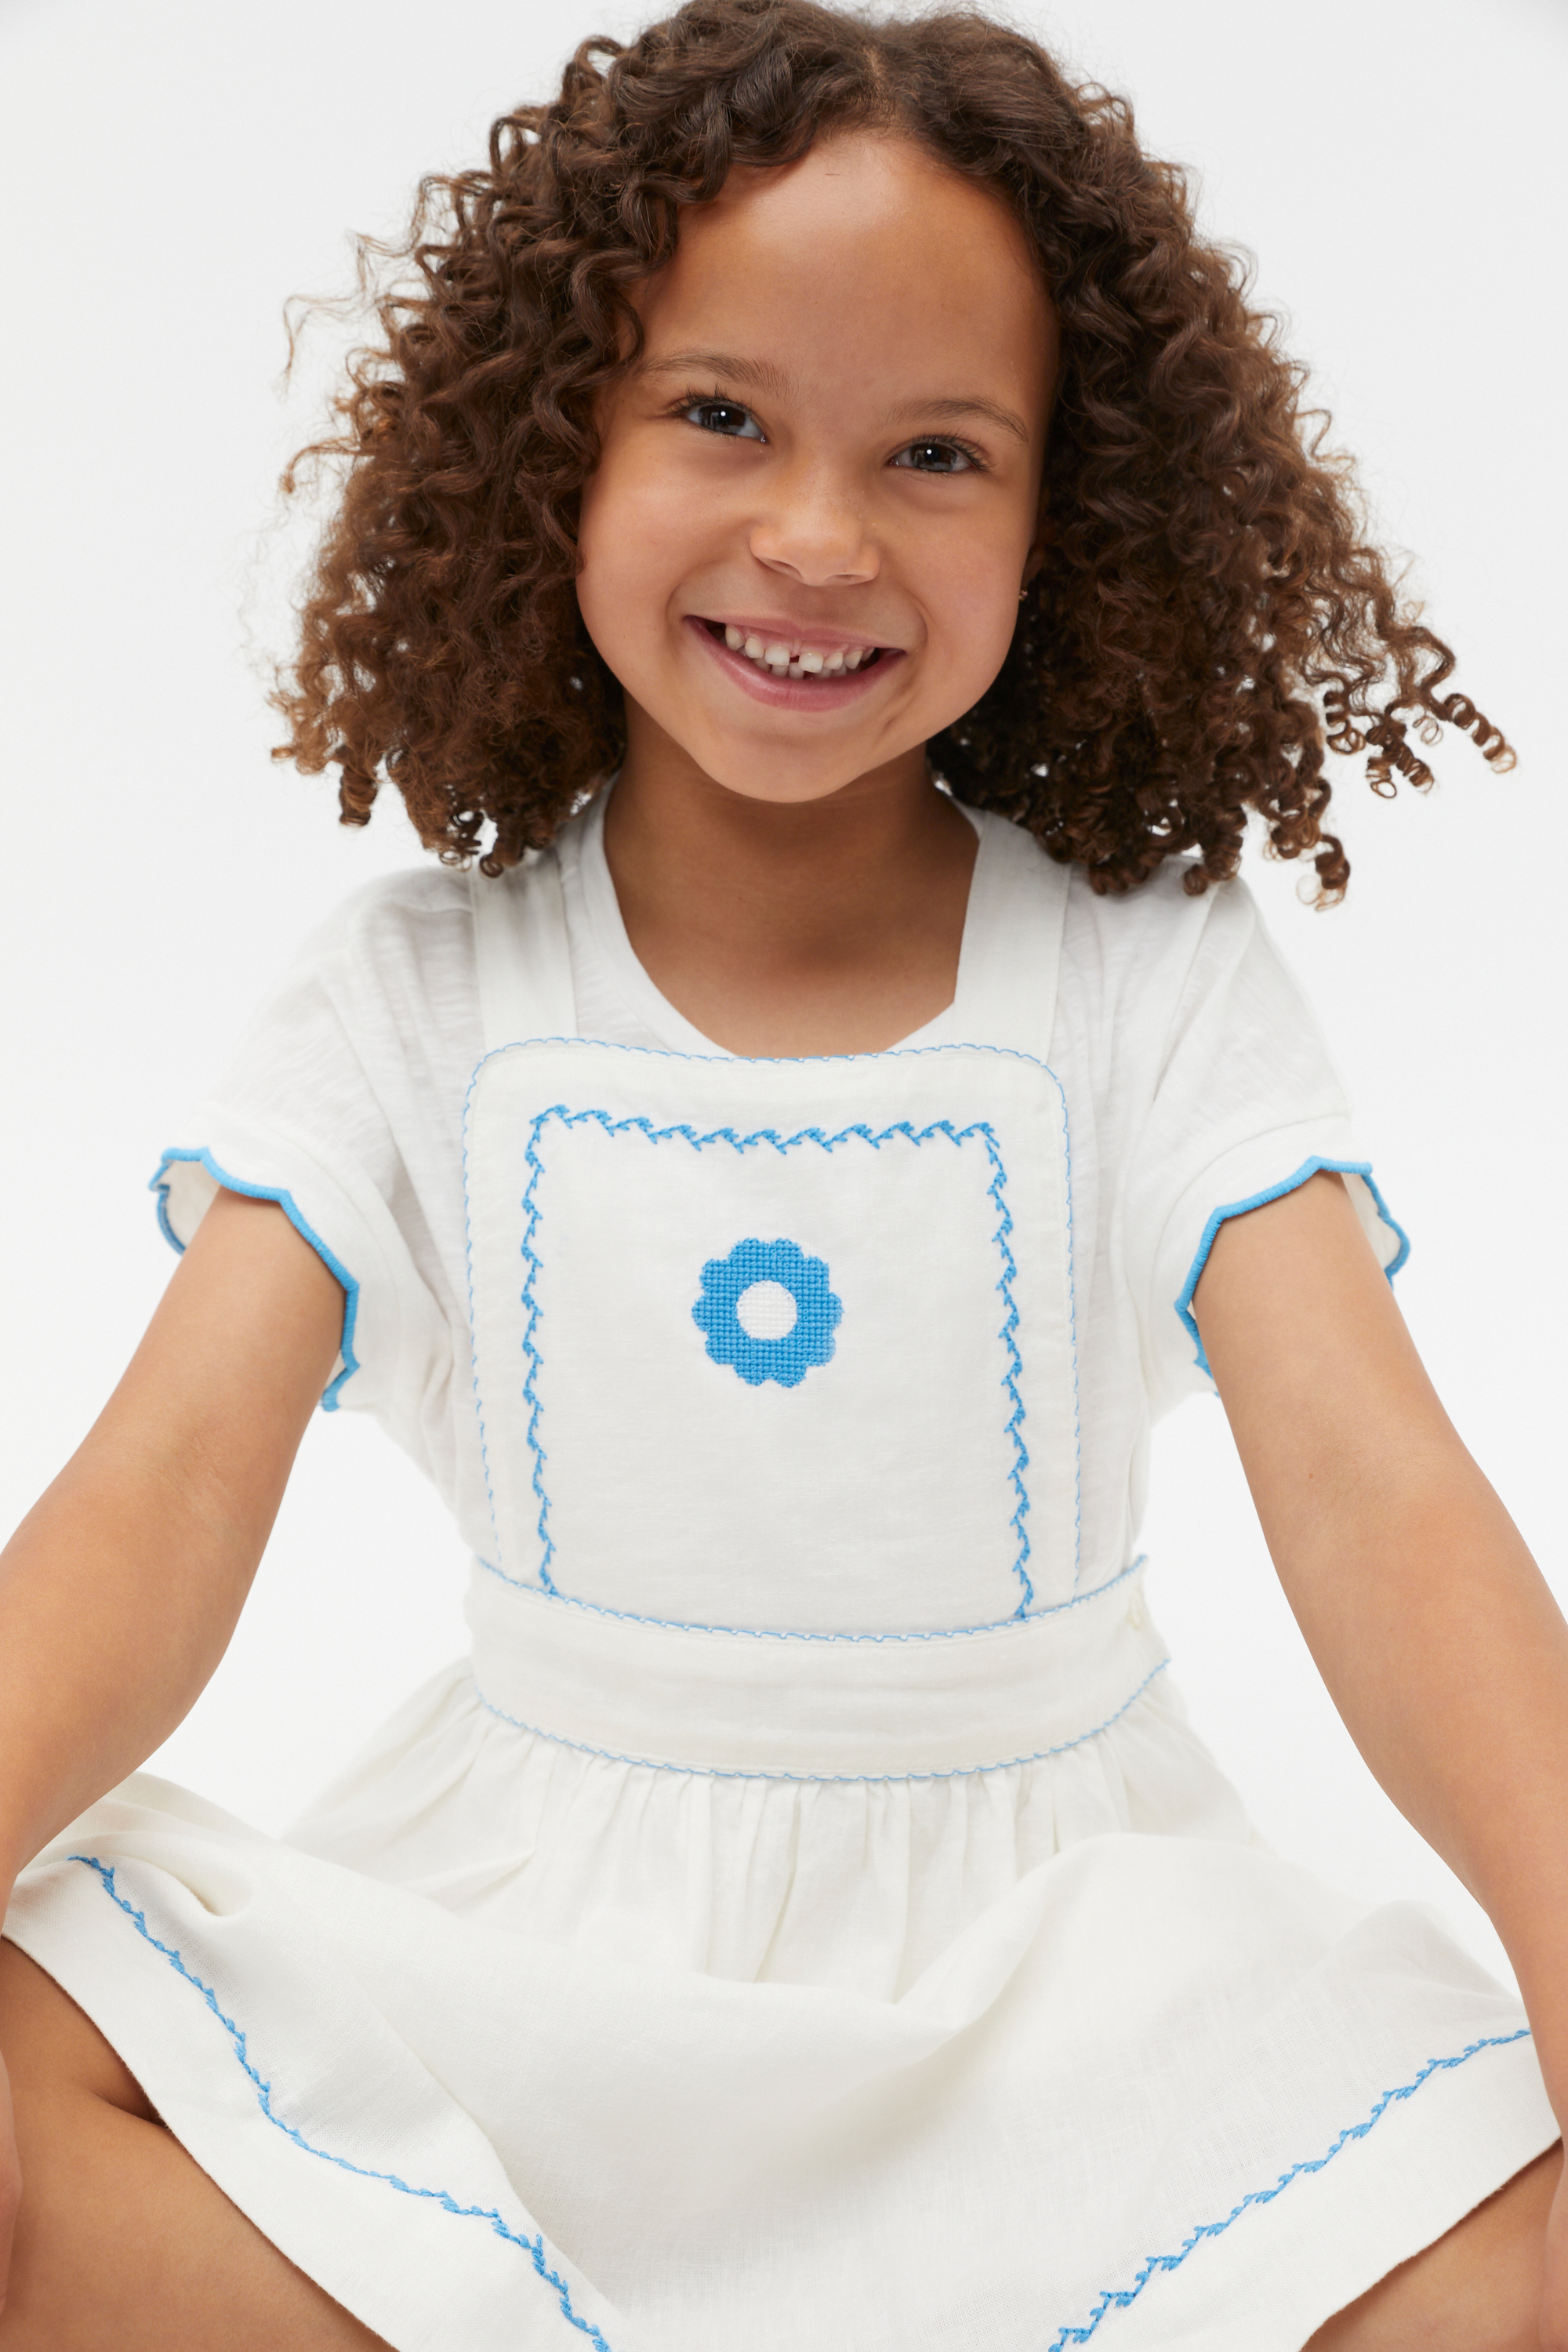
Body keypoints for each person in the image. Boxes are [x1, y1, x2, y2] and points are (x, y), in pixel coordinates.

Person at [1, 1, 1562, 2344]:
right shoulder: (415, 998)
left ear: (1067, 521)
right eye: (720, 414)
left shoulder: (1144, 979)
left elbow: (1382, 1498)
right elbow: (157, 1503)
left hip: (1068, 1998)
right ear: (559, 445)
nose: (818, 539)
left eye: (937, 452)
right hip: (524, 1975)